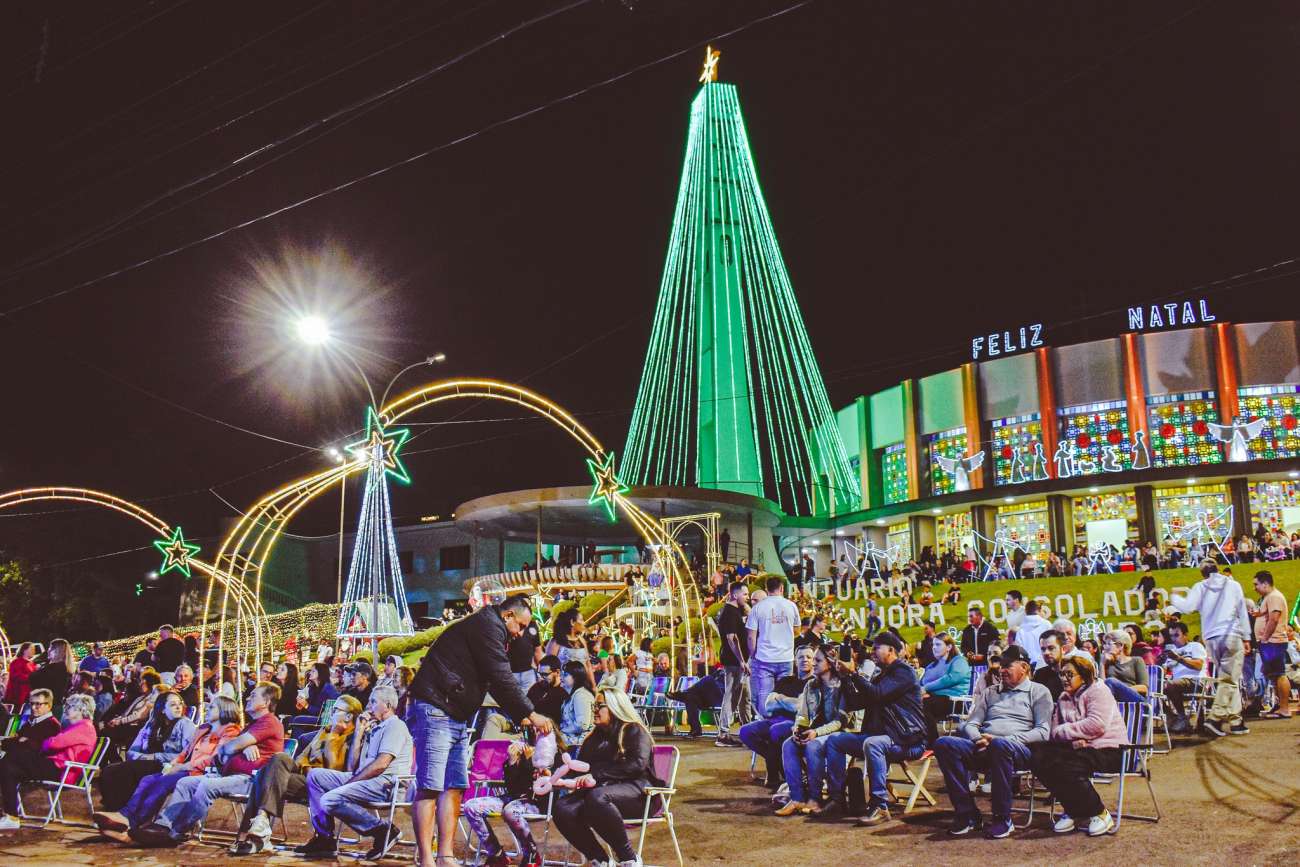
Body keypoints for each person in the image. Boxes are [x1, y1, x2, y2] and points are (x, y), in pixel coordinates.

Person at [407, 595, 552, 867]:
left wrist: (520, 714)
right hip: (437, 705)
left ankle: (445, 856)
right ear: (507, 615)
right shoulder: (487, 627)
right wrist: (530, 713)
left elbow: (496, 682)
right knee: (430, 786)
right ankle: (427, 859)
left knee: (454, 786)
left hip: (455, 711)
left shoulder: (491, 630)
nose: (521, 634)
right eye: (520, 626)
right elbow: (500, 676)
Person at [126, 682, 285, 846]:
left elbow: (228, 747)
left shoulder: (269, 722)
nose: (248, 698)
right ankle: (162, 826)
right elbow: (223, 753)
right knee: (185, 783)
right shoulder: (252, 725)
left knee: (207, 786)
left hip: (251, 779)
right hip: (229, 774)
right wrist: (244, 746)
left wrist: (239, 745)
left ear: (266, 703)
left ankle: (176, 832)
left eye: (254, 695)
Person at [933, 646, 1053, 839]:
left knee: (1000, 746)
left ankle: (1002, 818)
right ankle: (967, 814)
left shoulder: (1039, 692)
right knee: (943, 744)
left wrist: (1002, 740)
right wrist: (977, 738)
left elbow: (1043, 731)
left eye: (1007, 665)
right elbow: (971, 723)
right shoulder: (990, 692)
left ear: (1024, 667)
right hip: (984, 746)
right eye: (1000, 665)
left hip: (1018, 750)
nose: (1001, 669)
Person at [226, 694, 363, 855]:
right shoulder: (323, 731)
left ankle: (250, 837)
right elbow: (300, 759)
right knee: (278, 759)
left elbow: (334, 769)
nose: (331, 713)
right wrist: (307, 768)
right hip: (305, 777)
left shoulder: (352, 738)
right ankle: (261, 820)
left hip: (322, 786)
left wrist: (333, 736)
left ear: (348, 716)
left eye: (335, 710)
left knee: (264, 776)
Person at [93, 695, 244, 840]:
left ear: (224, 710)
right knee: (148, 779)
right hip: (185, 768)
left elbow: (214, 758)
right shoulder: (204, 728)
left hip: (202, 772)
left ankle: (133, 821)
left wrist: (181, 766)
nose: (207, 709)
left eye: (212, 707)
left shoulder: (231, 732)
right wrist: (173, 764)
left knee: (162, 783)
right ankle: (125, 815)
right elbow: (186, 751)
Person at [821, 632, 928, 825]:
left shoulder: (904, 672)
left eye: (877, 647)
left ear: (891, 650)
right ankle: (836, 798)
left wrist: (854, 673)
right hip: (882, 737)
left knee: (873, 743)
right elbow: (855, 702)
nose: (872, 652)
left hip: (907, 740)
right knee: (835, 740)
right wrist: (845, 677)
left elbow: (877, 695)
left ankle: (880, 806)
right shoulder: (881, 675)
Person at [294, 686, 413, 858]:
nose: (369, 706)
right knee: (315, 775)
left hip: (386, 784)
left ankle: (382, 830)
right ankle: (325, 837)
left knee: (329, 799)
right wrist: (359, 732)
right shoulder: (374, 728)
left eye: (373, 702)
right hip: (366, 781)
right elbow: (352, 768)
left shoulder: (395, 726)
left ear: (387, 705)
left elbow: (381, 764)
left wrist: (351, 783)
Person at [551, 687, 664, 867]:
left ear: (614, 706)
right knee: (563, 807)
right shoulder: (593, 738)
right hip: (600, 796)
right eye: (594, 705)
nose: (595, 709)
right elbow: (581, 768)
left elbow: (637, 765)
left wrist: (597, 774)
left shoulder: (633, 730)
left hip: (639, 794)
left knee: (597, 797)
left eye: (600, 705)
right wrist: (554, 774)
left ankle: (629, 858)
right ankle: (600, 860)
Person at [1029, 655, 1126, 836]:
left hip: (1109, 749)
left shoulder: (1098, 691)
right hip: (1078, 748)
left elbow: (1096, 725)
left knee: (1066, 765)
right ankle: (1074, 808)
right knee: (1037, 756)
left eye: (1069, 674)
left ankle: (1099, 812)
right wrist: (1074, 738)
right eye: (1062, 674)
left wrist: (1072, 734)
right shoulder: (1064, 697)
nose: (1064, 679)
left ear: (1083, 675)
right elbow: (1054, 731)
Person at [1166, 559, 1252, 736]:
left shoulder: (1200, 587)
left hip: (1211, 638)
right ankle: (1215, 718)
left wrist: (1174, 597)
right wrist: (1247, 636)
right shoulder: (1233, 585)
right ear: (1218, 569)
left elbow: (1187, 608)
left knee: (1229, 678)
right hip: (1231, 634)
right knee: (1229, 678)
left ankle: (1236, 721)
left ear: (1202, 573)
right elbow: (1242, 611)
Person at [774, 646, 859, 816]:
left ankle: (815, 798)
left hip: (840, 734)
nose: (813, 663)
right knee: (788, 745)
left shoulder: (843, 686)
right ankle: (797, 798)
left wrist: (816, 733)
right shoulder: (811, 686)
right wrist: (798, 728)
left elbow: (840, 722)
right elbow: (802, 714)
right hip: (814, 732)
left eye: (818, 660)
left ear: (831, 663)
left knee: (813, 746)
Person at [461, 729, 559, 867]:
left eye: (537, 729)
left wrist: (529, 762)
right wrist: (512, 762)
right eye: (528, 729)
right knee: (471, 806)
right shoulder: (523, 749)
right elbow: (512, 786)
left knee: (510, 811)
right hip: (513, 798)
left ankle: (531, 854)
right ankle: (496, 855)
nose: (532, 732)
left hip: (538, 801)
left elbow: (548, 785)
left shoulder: (555, 753)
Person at [0, 692, 97, 830]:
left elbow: (52, 743)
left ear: (80, 710)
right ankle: (11, 816)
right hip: (55, 766)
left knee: (12, 758)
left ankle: (11, 817)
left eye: (70, 707)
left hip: (60, 770)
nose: (66, 710)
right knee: (8, 768)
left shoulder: (84, 728)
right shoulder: (78, 727)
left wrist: (44, 743)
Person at [97, 691, 196, 811]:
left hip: (166, 765)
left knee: (127, 771)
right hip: (144, 761)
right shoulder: (151, 724)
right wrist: (140, 757)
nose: (178, 707)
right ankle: (113, 806)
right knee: (109, 770)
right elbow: (132, 751)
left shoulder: (185, 725)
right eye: (173, 704)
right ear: (163, 710)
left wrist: (155, 756)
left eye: (180, 704)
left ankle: (119, 810)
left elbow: (186, 755)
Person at [738, 646, 815, 790]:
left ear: (813, 661)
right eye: (801, 657)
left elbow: (798, 707)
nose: (805, 660)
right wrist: (789, 701)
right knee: (745, 732)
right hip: (774, 720)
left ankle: (774, 773)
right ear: (795, 661)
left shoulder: (813, 683)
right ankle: (781, 766)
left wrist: (779, 699)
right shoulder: (786, 681)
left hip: (796, 723)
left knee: (776, 730)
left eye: (809, 657)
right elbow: (768, 705)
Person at [746, 576, 800, 719]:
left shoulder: (758, 608)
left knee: (765, 694)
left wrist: (753, 654)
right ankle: (784, 725)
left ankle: (765, 725)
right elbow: (797, 631)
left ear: (766, 589)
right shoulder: (791, 606)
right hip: (786, 657)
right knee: (785, 694)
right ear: (781, 588)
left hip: (764, 658)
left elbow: (751, 637)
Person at [1250, 571, 1291, 719]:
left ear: (1265, 584)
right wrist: (1258, 615)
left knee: (1279, 674)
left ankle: (1285, 709)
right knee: (1273, 674)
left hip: (1273, 641)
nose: (1254, 588)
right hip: (1269, 642)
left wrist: (1265, 638)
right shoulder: (1269, 597)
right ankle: (1280, 706)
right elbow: (1268, 615)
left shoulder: (1274, 596)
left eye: (1256, 584)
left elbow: (1274, 619)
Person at [716, 581, 751, 746]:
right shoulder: (730, 612)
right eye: (745, 594)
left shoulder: (735, 611)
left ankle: (727, 732)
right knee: (731, 696)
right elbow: (732, 638)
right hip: (733, 662)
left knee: (736, 696)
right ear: (735, 594)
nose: (747, 597)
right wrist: (742, 660)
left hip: (736, 661)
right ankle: (723, 734)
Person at [920, 633, 972, 743]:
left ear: (949, 647)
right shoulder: (931, 665)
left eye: (938, 644)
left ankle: (932, 742)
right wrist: (921, 691)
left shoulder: (959, 661)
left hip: (954, 700)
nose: (934, 647)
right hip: (932, 699)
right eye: (933, 645)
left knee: (924, 704)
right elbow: (922, 683)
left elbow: (951, 678)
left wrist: (928, 689)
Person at [1160, 622, 1208, 733]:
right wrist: (1161, 663)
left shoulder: (1195, 646)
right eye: (1171, 636)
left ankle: (1181, 717)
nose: (1174, 639)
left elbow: (1198, 666)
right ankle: (1172, 716)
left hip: (1196, 681)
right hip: (1178, 684)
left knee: (1170, 685)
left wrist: (1179, 658)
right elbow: (1165, 669)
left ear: (1185, 635)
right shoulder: (1173, 651)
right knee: (1153, 689)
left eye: (1177, 635)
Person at [105, 669, 164, 754]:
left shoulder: (152, 699)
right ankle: (115, 760)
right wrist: (117, 719)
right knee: (104, 733)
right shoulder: (141, 697)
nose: (140, 684)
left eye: (143, 682)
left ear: (150, 683)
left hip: (137, 727)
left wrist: (120, 721)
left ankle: (115, 760)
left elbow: (139, 715)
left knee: (106, 734)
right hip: (128, 725)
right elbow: (127, 712)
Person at [29, 638, 77, 716]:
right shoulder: (65, 668)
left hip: (46, 708)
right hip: (56, 707)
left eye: (50, 649)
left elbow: (32, 679)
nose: (48, 651)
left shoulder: (52, 669)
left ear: (56, 651)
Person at [1101, 630, 1148, 704]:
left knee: (1111, 681)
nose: (1105, 647)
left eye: (1109, 644)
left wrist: (1121, 689)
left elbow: (1144, 688)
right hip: (1114, 700)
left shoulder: (1137, 660)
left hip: (1135, 700)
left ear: (1120, 645)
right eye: (1105, 644)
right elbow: (1102, 687)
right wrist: (1102, 664)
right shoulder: (1108, 663)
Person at [560, 661, 596, 747]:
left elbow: (582, 725)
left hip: (578, 744)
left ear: (576, 677)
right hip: (572, 741)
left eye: (565, 675)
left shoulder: (581, 695)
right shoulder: (575, 694)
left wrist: (561, 731)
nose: (561, 678)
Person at [1013, 600, 1052, 669]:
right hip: (1046, 664)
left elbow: (1019, 651)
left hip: (1029, 666)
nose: (1043, 613)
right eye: (1043, 611)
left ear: (1026, 612)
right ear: (1038, 610)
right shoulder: (1047, 625)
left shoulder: (1020, 630)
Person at [1035, 630, 1067, 701]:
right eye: (1043, 649)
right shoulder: (1039, 675)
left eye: (1051, 648)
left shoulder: (1076, 673)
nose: (1046, 653)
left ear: (1063, 649)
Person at [4, 643, 37, 708]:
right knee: (16, 716)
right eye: (32, 649)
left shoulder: (32, 663)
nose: (34, 651)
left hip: (28, 696)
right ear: (24, 650)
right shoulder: (16, 662)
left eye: (34, 649)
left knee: (26, 715)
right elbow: (16, 677)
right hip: (17, 696)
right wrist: (32, 677)